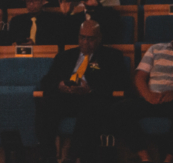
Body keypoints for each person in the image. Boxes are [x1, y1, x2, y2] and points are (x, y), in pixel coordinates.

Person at [37, 20, 126, 163]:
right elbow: (46, 81)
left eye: (90, 38)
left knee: (91, 106)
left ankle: (72, 156)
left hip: (91, 97)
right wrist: (59, 85)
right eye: (82, 37)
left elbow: (120, 84)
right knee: (45, 103)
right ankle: (48, 156)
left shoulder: (112, 56)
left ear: (99, 38)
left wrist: (90, 90)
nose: (85, 42)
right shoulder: (65, 56)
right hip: (66, 96)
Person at [113, 39, 173, 163]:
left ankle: (168, 158)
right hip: (151, 97)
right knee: (119, 109)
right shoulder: (156, 49)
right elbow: (140, 77)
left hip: (171, 101)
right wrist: (148, 95)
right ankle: (144, 157)